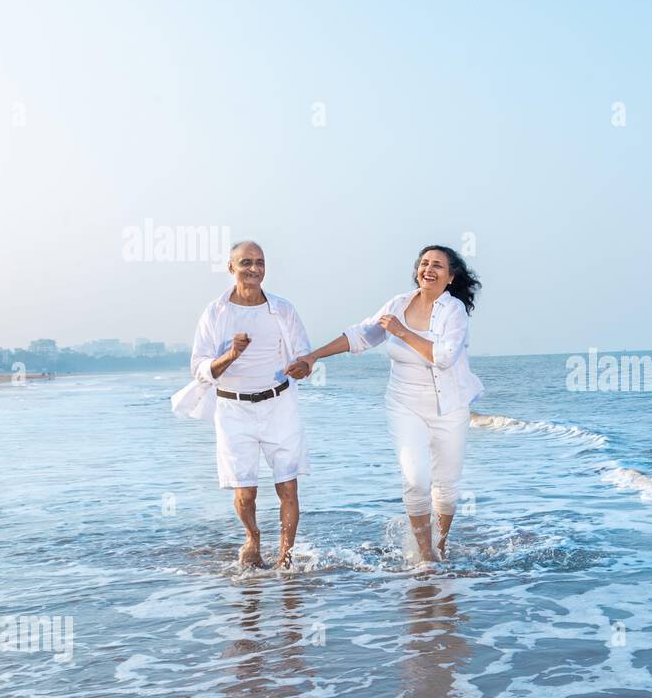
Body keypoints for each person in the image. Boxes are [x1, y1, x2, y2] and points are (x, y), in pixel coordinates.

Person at [287, 245, 482, 563]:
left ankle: (440, 546)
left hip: (450, 407)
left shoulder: (454, 311)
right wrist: (312, 356)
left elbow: (444, 357)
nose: (428, 269)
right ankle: (425, 557)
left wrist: (401, 332)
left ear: (450, 277)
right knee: (416, 478)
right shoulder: (399, 303)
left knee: (446, 486)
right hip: (404, 404)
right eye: (424, 263)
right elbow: (361, 335)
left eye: (437, 265)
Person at [171, 241, 312, 569]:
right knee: (245, 494)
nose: (254, 268)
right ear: (231, 268)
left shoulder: (283, 309)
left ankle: (285, 558)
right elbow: (200, 369)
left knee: (288, 486)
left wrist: (302, 367)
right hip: (233, 410)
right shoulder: (216, 312)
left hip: (279, 404)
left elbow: (305, 357)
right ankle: (253, 536)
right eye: (246, 262)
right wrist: (232, 355)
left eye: (260, 262)